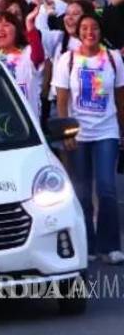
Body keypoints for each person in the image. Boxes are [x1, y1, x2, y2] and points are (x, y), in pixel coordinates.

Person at [53, 14, 124, 264]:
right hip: (78, 134)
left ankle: (111, 245)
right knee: (81, 192)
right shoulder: (67, 59)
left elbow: (120, 98)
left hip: (107, 131)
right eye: (84, 28)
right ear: (78, 32)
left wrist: (123, 131)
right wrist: (66, 133)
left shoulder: (113, 59)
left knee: (106, 187)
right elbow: (62, 100)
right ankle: (88, 245)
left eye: (94, 27)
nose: (89, 32)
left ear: (100, 31)